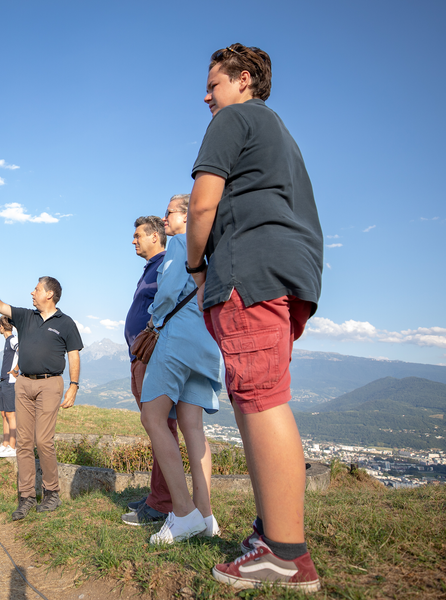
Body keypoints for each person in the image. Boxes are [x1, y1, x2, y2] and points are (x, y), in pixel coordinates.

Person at [186, 44, 324, 591]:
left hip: (248, 269)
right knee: (256, 396)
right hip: (288, 275)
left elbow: (202, 205)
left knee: (261, 399)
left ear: (243, 80)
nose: (206, 95)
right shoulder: (280, 134)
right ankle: (272, 537)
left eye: (213, 83)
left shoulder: (234, 117)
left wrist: (197, 267)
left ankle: (287, 555)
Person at [0, 278, 83, 520]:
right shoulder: (26, 316)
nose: (32, 293)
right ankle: (25, 497)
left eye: (36, 289)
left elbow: (74, 355)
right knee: (23, 442)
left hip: (50, 383)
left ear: (49, 294)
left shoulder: (65, 323)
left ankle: (51, 492)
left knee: (43, 441)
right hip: (23, 384)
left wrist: (73, 386)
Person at [137, 194, 223, 545]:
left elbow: (170, 289)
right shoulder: (215, 247)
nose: (165, 216)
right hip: (206, 344)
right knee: (193, 427)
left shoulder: (180, 244)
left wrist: (153, 321)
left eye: (169, 211)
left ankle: (183, 513)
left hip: (177, 339)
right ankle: (205, 515)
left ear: (188, 215)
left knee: (153, 418)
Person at [120, 215, 180, 526]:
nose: (134, 240)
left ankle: (163, 502)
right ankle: (158, 494)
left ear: (155, 237)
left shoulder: (165, 265)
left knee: (161, 427)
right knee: (156, 427)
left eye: (138, 235)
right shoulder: (153, 267)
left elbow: (167, 305)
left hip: (152, 356)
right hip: (141, 356)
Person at [0, 315, 18, 458]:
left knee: (11, 414)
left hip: (11, 381)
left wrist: (16, 369)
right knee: (4, 414)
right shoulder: (8, 341)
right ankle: (5, 444)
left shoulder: (13, 340)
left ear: (1, 326)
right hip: (4, 380)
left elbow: (23, 352)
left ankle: (13, 446)